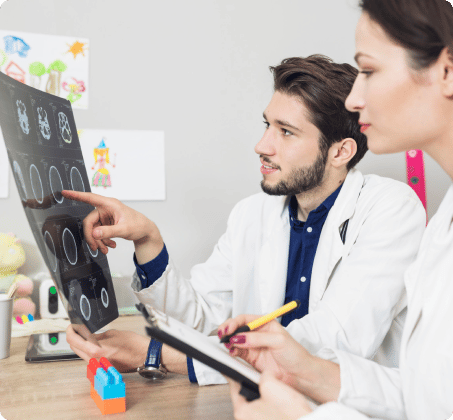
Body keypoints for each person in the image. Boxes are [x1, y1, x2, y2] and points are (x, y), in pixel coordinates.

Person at [63, 55, 426, 386]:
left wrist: (156, 355)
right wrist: (148, 240)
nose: (262, 145)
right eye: (267, 125)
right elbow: (203, 316)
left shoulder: (392, 210)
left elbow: (336, 341)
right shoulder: (252, 214)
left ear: (340, 151)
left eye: (285, 132)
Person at [223, 0, 453, 419]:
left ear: (447, 70)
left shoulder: (393, 210)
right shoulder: (444, 231)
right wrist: (306, 370)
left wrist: (301, 416)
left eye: (368, 70)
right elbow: (428, 396)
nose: (354, 98)